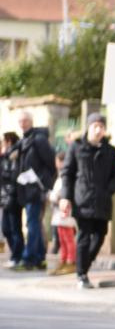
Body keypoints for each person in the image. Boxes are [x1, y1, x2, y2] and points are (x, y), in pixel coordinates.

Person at [60, 113, 115, 289]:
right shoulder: (77, 148)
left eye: (101, 126)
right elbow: (67, 173)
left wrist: (109, 190)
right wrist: (66, 197)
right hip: (83, 199)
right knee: (84, 237)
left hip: (102, 201)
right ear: (88, 127)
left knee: (100, 237)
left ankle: (83, 266)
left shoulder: (110, 151)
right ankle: (82, 274)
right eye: (95, 125)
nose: (98, 129)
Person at [14, 110, 56, 272]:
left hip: (36, 189)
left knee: (32, 223)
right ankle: (39, 258)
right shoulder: (25, 140)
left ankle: (29, 259)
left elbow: (50, 163)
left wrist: (43, 182)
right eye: (20, 121)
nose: (22, 124)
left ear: (31, 121)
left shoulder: (38, 139)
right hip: (26, 188)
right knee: (34, 223)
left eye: (25, 121)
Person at [48, 151, 77, 276]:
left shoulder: (68, 177)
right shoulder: (61, 176)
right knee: (62, 239)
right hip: (59, 213)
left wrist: (52, 196)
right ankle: (63, 260)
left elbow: (62, 193)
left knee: (68, 239)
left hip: (66, 213)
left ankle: (71, 261)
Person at [0, 131, 24, 268]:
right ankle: (15, 255)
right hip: (4, 198)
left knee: (15, 228)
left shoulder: (15, 157)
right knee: (6, 229)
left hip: (14, 197)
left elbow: (12, 177)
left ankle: (17, 256)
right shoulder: (5, 157)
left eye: (4, 142)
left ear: (9, 142)